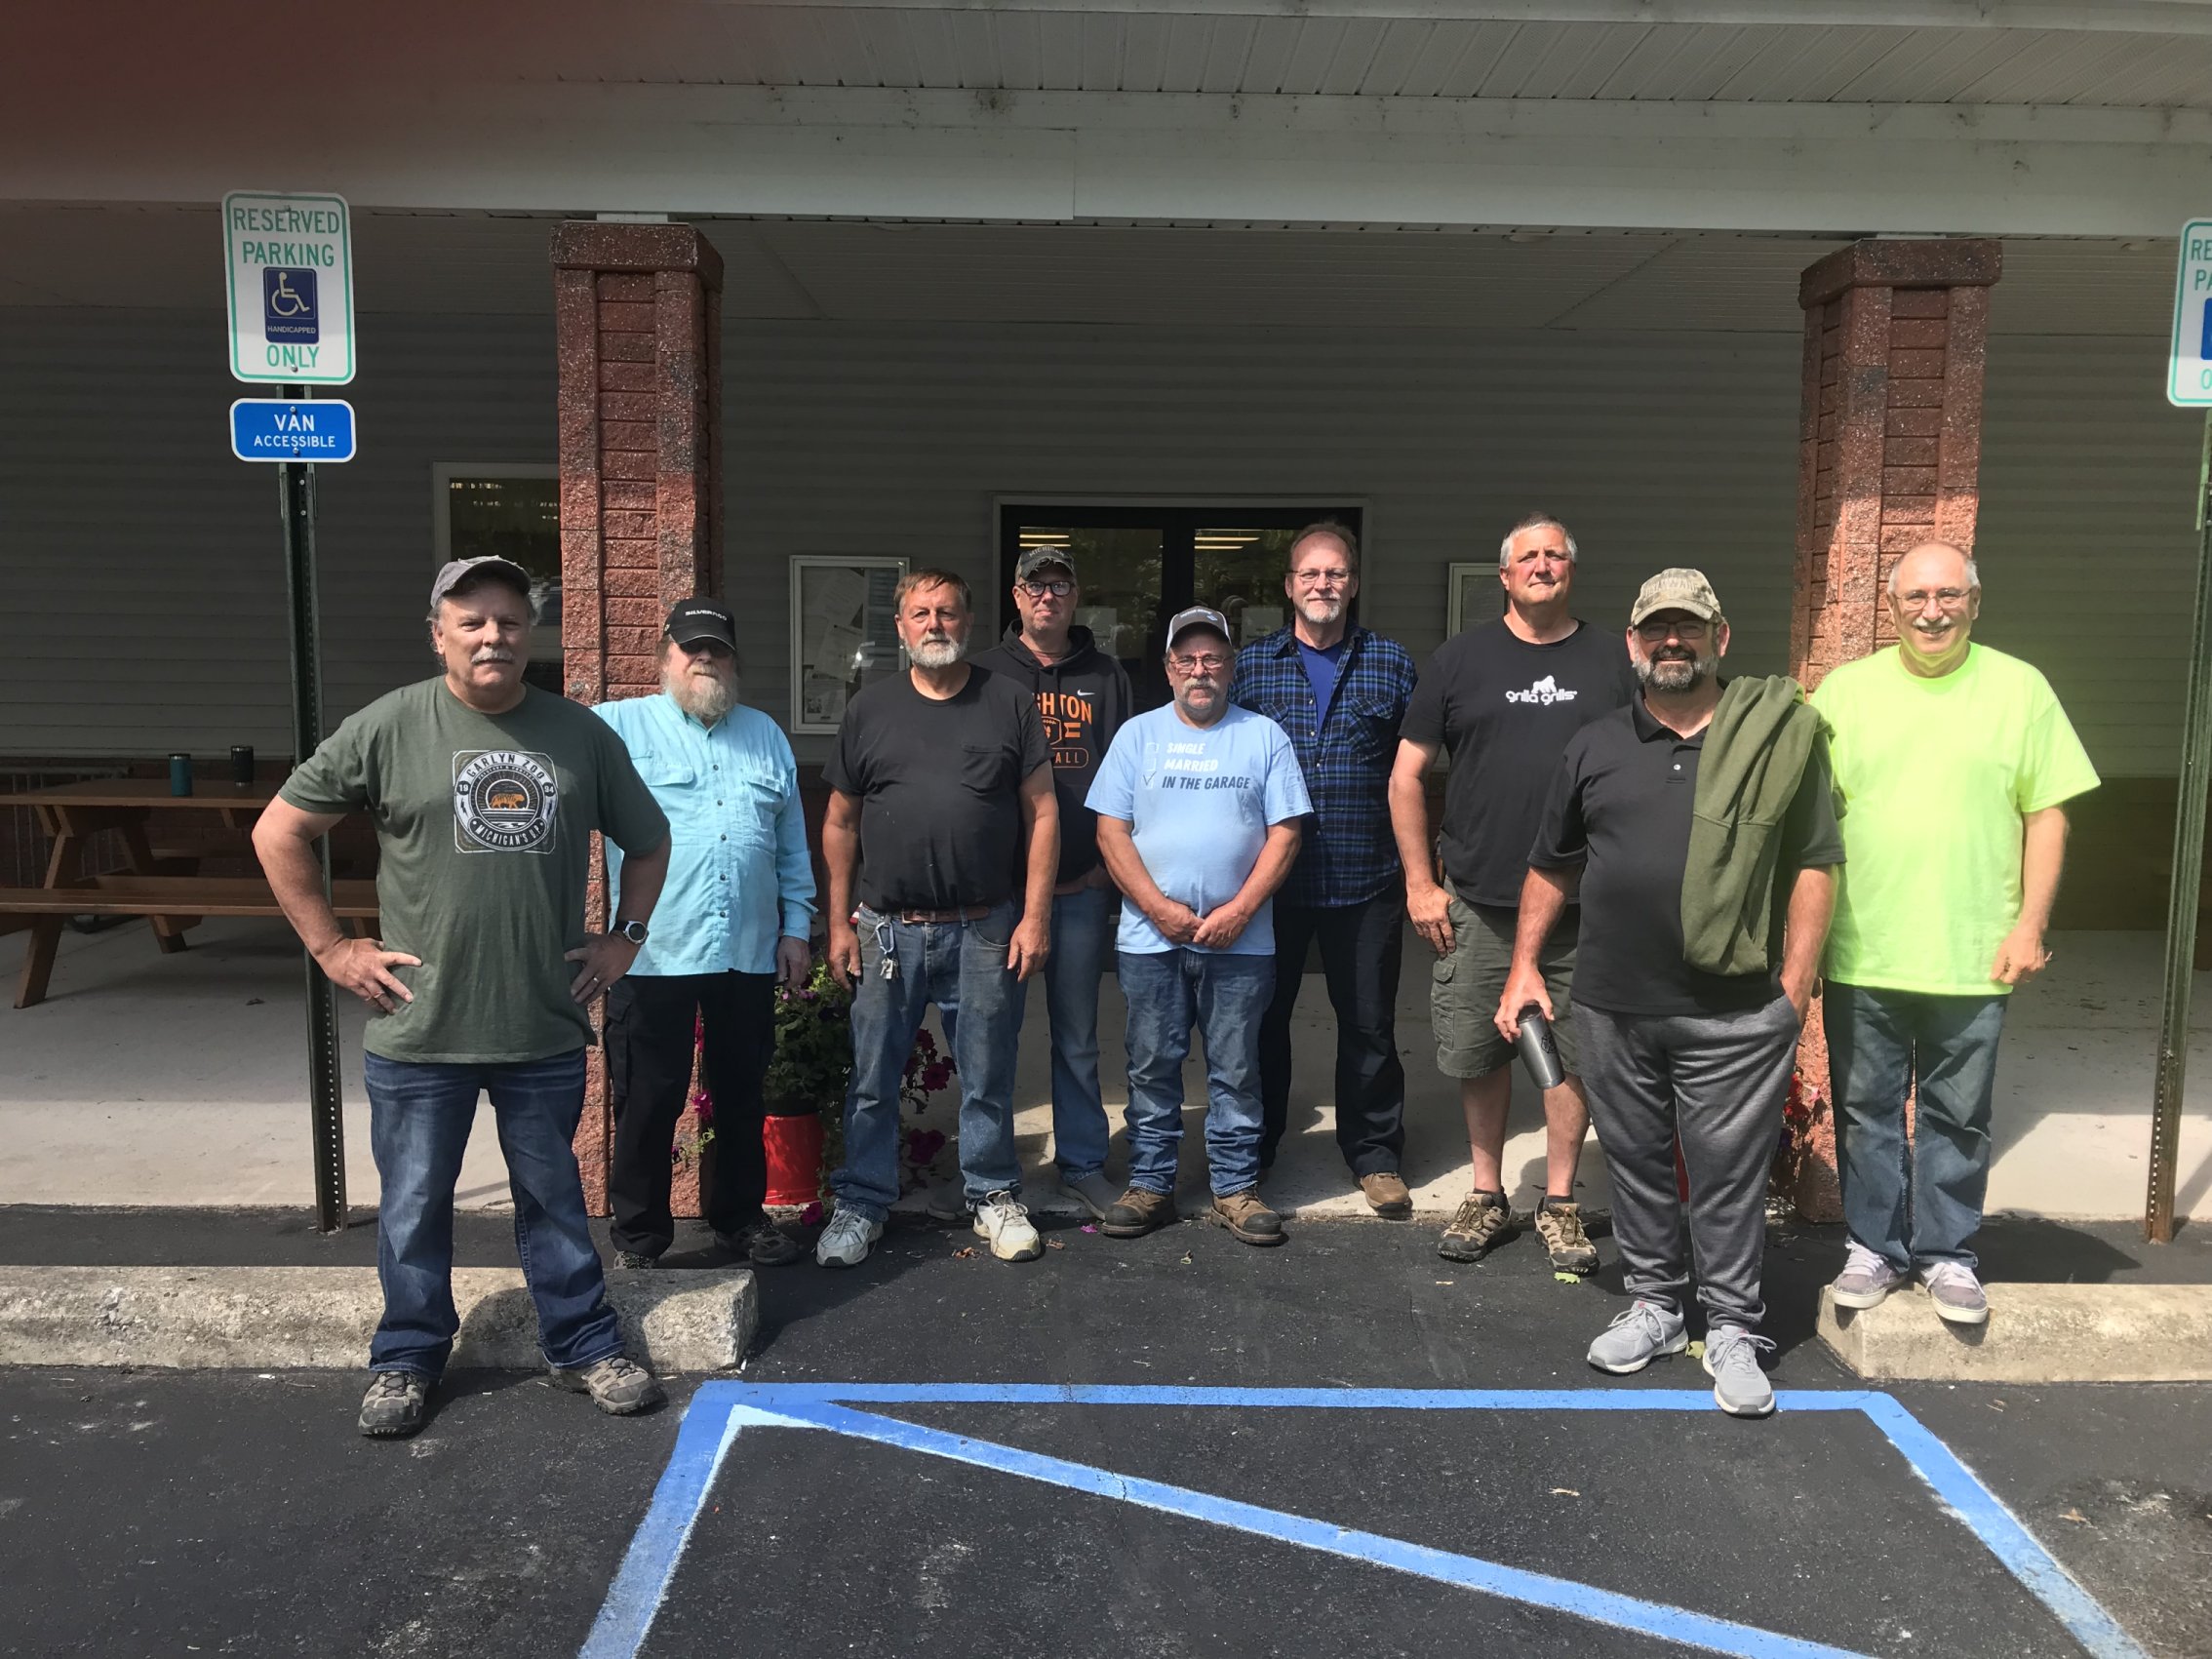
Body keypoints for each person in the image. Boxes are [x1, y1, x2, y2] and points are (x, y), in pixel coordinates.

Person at [254, 555, 673, 1439]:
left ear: (531, 634)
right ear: (438, 632)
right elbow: (281, 829)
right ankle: (406, 1356)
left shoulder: (579, 733)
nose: (494, 636)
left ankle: (582, 1342)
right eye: (473, 621)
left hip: (539, 1020)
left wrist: (624, 938)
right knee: (411, 1206)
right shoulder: (388, 726)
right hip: (419, 1024)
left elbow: (649, 839)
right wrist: (331, 946)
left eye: (510, 621)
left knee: (555, 1197)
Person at [1499, 569, 1842, 1418]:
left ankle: (1730, 1326)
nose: (1672, 642)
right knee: (1641, 1164)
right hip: (1615, 1001)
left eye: (1689, 628)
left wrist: (1796, 985)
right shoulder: (1595, 744)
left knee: (1725, 1176)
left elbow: (1814, 860)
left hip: (1734, 1006)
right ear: (1632, 643)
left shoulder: (1776, 739)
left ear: (1721, 638)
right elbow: (1552, 863)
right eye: (1656, 630)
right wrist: (1523, 963)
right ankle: (1655, 1305)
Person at [1813, 542, 2098, 1327]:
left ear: (1975, 601)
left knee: (1958, 1115)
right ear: (1892, 607)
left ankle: (1946, 1254)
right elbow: (1808, 824)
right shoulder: (1844, 691)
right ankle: (1873, 1246)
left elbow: (2049, 812)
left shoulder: (2020, 689)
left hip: (1975, 951)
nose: (1931, 610)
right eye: (1915, 598)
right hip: (1864, 948)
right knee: (1866, 1108)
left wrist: (2030, 922)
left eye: (1947, 595)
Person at [1391, 512, 1636, 1270]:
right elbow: (1406, 776)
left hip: (1587, 905)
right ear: (1504, 575)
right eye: (1526, 556)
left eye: (1554, 555)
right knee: (1477, 1050)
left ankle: (1560, 1200)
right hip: (1478, 898)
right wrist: (1421, 883)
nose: (1541, 565)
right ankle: (1488, 1192)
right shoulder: (1459, 661)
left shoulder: (1611, 660)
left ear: (1571, 570)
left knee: (1576, 1056)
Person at [815, 569, 1058, 1267]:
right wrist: (838, 924)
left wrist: (1034, 915)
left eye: (947, 612)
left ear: (969, 621)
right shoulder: (871, 708)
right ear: (900, 627)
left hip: (984, 926)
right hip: (886, 927)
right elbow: (839, 822)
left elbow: (1043, 814)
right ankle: (861, 1202)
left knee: (988, 1072)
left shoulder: (1008, 702)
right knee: (871, 1076)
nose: (934, 624)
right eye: (920, 613)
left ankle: (991, 1196)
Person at [595, 598, 817, 1272]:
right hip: (652, 950)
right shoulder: (616, 727)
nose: (704, 659)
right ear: (665, 656)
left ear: (733, 661)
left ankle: (740, 1221)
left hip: (746, 950)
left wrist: (796, 928)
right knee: (647, 1098)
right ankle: (639, 1237)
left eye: (716, 649)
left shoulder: (766, 734)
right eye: (691, 648)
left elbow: (790, 846)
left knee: (743, 1093)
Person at [1089, 607, 1313, 1245]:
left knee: (1236, 1069)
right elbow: (1111, 831)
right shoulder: (1137, 735)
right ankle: (1152, 1184)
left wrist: (1239, 910)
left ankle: (1236, 1187)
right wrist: (1159, 908)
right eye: (1186, 658)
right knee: (1152, 1066)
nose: (1199, 669)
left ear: (1231, 666)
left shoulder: (1263, 736)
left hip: (1242, 942)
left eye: (1212, 657)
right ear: (1167, 668)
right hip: (1149, 940)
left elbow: (1286, 833)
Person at [1231, 522, 1419, 1215]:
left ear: (1354, 583)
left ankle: (1374, 1154)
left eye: (1335, 573)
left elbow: (1417, 772)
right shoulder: (1252, 667)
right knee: (1260, 1019)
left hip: (1365, 878)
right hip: (1271, 883)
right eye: (1310, 574)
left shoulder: (1392, 664)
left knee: (1368, 1022)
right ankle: (1254, 1148)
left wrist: (1421, 867)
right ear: (1289, 586)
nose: (1322, 585)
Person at [974, 546, 1135, 1220]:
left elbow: (1131, 770)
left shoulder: (1106, 674)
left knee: (1076, 1034)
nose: (1048, 596)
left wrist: (1109, 862)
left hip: (1081, 886)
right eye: (1035, 585)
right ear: (1016, 596)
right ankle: (992, 1173)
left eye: (1060, 585)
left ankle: (1082, 1162)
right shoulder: (982, 672)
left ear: (1075, 597)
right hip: (999, 894)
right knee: (992, 1035)